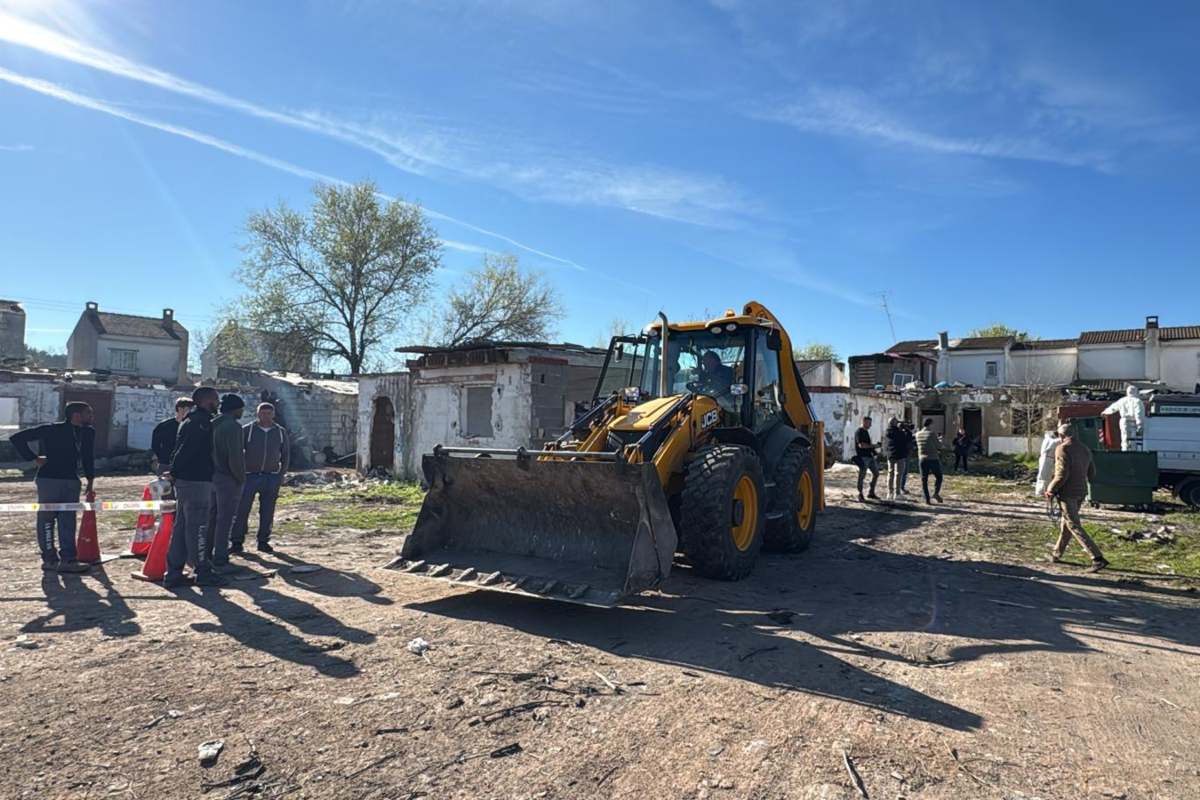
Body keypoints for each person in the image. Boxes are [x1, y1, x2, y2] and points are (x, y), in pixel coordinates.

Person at [10, 402, 96, 573]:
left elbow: (88, 457)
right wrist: (33, 458)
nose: (91, 417)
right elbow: (17, 438)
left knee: (68, 520)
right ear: (76, 415)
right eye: (88, 413)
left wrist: (90, 480)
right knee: (46, 519)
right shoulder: (51, 429)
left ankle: (69, 560)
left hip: (71, 481)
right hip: (49, 479)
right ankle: (49, 559)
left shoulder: (88, 432)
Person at [165, 386, 222, 588]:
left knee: (181, 527)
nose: (218, 403)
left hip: (187, 481)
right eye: (215, 400)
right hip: (196, 481)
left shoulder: (189, 421)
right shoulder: (201, 423)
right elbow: (186, 451)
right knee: (198, 527)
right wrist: (174, 471)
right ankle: (202, 570)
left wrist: (174, 471)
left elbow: (178, 450)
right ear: (206, 401)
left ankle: (173, 572)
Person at [1045, 422, 1108, 572]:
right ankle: (1056, 554)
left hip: (1067, 493)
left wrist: (1050, 489)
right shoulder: (1085, 449)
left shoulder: (1062, 449)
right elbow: (1092, 473)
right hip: (1081, 491)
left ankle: (1097, 558)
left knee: (1073, 525)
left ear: (1061, 435)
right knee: (1067, 524)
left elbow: (1061, 475)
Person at [232, 402, 290, 555]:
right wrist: (239, 473)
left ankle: (263, 541)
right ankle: (237, 541)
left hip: (271, 477)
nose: (265, 416)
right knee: (242, 510)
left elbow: (285, 454)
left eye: (268, 413)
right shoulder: (247, 430)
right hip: (249, 476)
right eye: (262, 413)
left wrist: (280, 475)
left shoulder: (280, 432)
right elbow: (237, 453)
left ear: (273, 415)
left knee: (267, 511)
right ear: (257, 414)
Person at [207, 393, 246, 570]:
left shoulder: (212, 423)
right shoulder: (233, 427)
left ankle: (206, 553)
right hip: (227, 478)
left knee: (211, 517)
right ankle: (221, 557)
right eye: (241, 409)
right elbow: (235, 457)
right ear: (236, 409)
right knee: (225, 519)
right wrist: (240, 478)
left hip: (210, 476)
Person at [150, 397, 194, 476]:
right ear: (180, 409)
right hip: (165, 465)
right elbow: (155, 445)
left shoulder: (192, 426)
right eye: (189, 409)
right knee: (164, 487)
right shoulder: (164, 426)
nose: (191, 411)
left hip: (185, 466)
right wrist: (163, 458)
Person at [1103, 385, 1145, 451]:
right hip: (1133, 422)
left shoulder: (1122, 400)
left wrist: (1104, 412)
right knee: (1133, 441)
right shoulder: (1138, 401)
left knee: (1124, 439)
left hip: (1123, 422)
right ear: (1136, 392)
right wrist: (1139, 425)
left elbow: (1113, 408)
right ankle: (1132, 454)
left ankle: (1124, 452)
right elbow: (1138, 414)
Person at [914, 419, 944, 504]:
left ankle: (927, 499)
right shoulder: (931, 434)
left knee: (924, 479)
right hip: (933, 458)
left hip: (922, 459)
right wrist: (940, 440)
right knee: (939, 477)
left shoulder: (918, 434)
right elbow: (939, 446)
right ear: (930, 424)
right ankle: (936, 493)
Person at [853, 416, 880, 502]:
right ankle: (860, 494)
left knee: (876, 473)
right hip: (863, 457)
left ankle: (871, 492)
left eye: (870, 423)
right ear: (864, 422)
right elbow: (861, 445)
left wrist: (875, 451)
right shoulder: (859, 431)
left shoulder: (866, 432)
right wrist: (874, 446)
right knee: (862, 476)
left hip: (869, 457)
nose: (870, 425)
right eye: (869, 423)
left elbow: (868, 445)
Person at [883, 417, 910, 501]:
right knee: (899, 474)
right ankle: (897, 493)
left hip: (890, 454)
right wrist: (906, 429)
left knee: (890, 473)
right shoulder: (899, 432)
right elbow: (907, 439)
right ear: (895, 423)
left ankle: (889, 493)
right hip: (900, 455)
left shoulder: (887, 431)